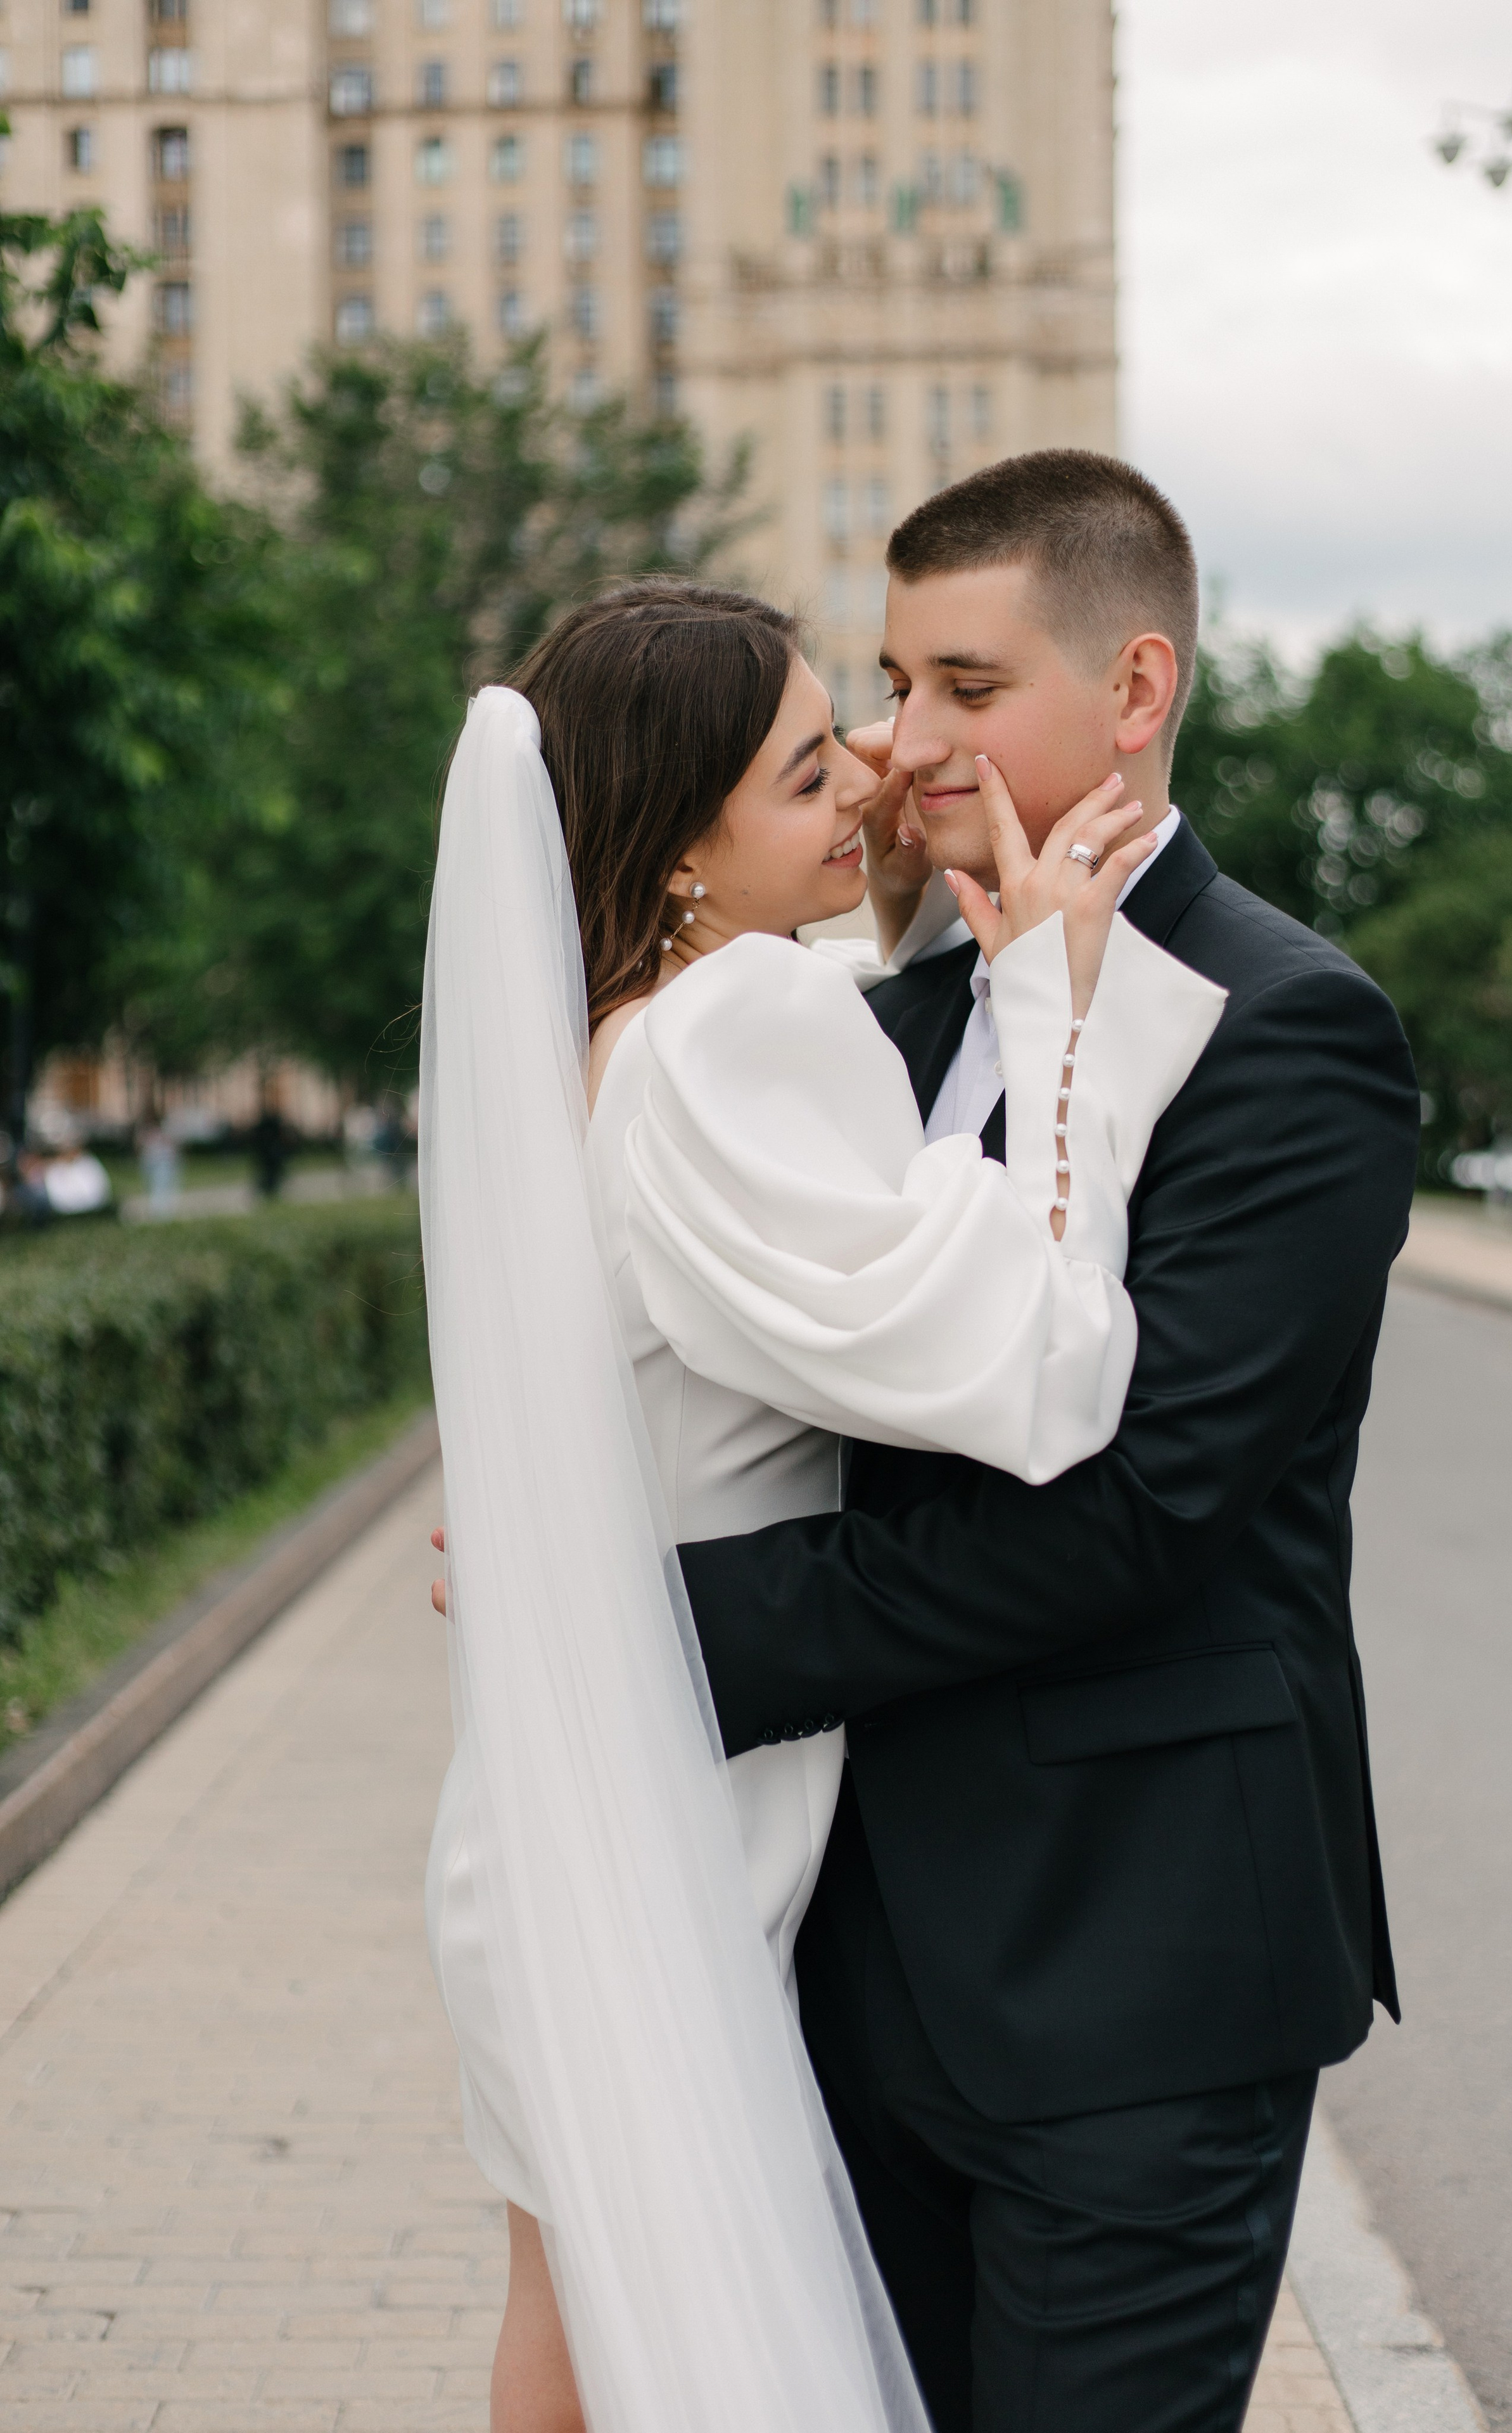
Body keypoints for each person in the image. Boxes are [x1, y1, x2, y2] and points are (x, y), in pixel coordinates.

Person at [418, 578, 1225, 2433]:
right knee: (637, 2356)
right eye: (807, 768)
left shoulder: (622, 1032)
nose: (872, 772)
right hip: (654, 1842)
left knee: (574, 2340)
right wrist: (1059, 1005)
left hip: (572, 1816)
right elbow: (1029, 1372)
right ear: (682, 844)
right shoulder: (743, 1026)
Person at [677, 452, 1421, 2432]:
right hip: (859, 1976)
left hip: (1136, 1979)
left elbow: (1141, 1513)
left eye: (965, 686)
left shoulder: (1289, 1030)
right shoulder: (894, 1023)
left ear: (1139, 686)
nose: (904, 745)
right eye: (893, 685)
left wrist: (666, 1626)